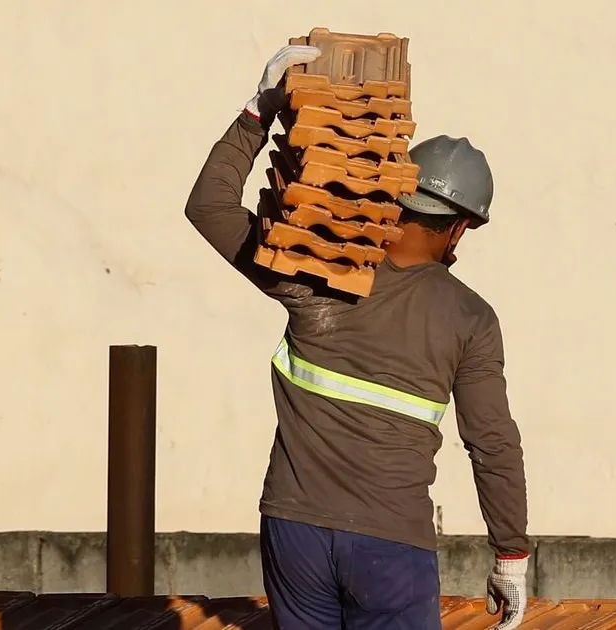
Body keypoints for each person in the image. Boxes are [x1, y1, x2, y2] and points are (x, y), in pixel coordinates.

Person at [184, 44, 530, 630]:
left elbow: (209, 205)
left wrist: (258, 110)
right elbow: (492, 444)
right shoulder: (470, 319)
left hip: (293, 533)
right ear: (461, 226)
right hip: (391, 547)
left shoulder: (312, 269)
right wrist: (511, 554)